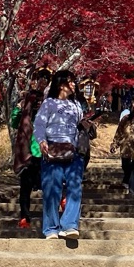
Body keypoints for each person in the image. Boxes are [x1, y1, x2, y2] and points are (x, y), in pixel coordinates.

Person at [33, 70, 86, 239]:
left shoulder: (76, 105)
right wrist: (42, 141)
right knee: (51, 189)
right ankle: (50, 228)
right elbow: (39, 124)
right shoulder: (48, 103)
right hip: (52, 150)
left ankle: (70, 225)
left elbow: (80, 124)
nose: (73, 84)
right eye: (70, 81)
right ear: (61, 83)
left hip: (73, 150)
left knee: (75, 187)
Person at [12, 67, 51, 229]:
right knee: (25, 188)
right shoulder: (26, 111)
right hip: (28, 155)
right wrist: (19, 109)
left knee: (48, 185)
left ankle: (51, 217)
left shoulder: (50, 110)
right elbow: (14, 123)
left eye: (45, 78)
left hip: (45, 154)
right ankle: (24, 217)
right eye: (40, 78)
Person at [110, 95, 134, 196]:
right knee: (126, 166)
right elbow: (119, 132)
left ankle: (133, 191)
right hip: (126, 146)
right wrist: (115, 144)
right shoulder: (126, 118)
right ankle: (126, 180)